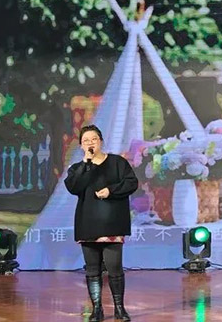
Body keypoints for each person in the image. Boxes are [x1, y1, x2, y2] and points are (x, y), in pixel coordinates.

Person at [65, 124, 138, 322]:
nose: (90, 143)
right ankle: (97, 309)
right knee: (92, 270)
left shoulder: (117, 162)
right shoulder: (78, 168)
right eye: (86, 141)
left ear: (101, 141)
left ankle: (120, 309)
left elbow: (132, 182)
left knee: (114, 268)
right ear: (81, 145)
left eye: (94, 139)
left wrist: (111, 191)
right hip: (88, 224)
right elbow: (73, 187)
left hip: (112, 224)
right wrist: (86, 164)